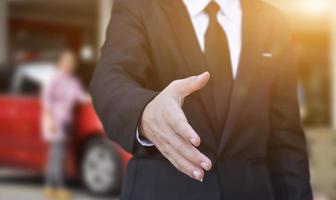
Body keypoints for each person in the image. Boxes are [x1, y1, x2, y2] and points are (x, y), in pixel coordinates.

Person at [90, 0, 312, 199]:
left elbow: (285, 139)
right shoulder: (140, 6)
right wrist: (145, 112)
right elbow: (110, 79)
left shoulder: (274, 22)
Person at [41, 50, 88, 200]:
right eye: (66, 61)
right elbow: (46, 100)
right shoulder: (54, 79)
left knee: (57, 156)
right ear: (61, 62)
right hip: (54, 121)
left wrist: (96, 100)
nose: (69, 64)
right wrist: (51, 121)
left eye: (71, 62)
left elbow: (80, 96)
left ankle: (49, 186)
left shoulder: (73, 82)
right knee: (57, 155)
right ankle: (59, 188)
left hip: (66, 122)